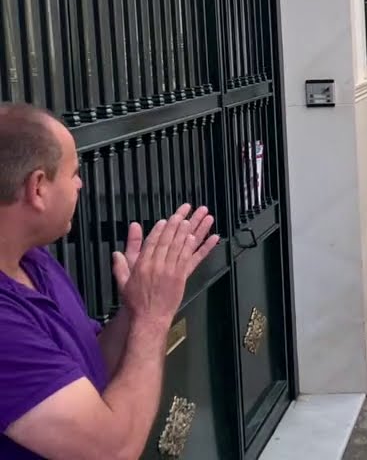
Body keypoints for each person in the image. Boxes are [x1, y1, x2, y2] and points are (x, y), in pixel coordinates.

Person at [0, 103, 219, 460]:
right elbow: (111, 451)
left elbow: (88, 367)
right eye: (73, 172)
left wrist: (134, 311)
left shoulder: (34, 262)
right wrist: (153, 318)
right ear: (37, 187)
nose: (80, 184)